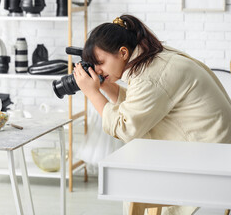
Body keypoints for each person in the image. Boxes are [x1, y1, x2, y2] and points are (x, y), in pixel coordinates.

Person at [73, 14, 231, 215]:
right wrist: (105, 86)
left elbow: (126, 128)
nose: (98, 70)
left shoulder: (151, 76)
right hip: (217, 154)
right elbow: (140, 105)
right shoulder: (155, 59)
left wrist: (92, 92)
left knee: (133, 180)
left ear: (123, 53)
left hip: (207, 166)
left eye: (100, 62)